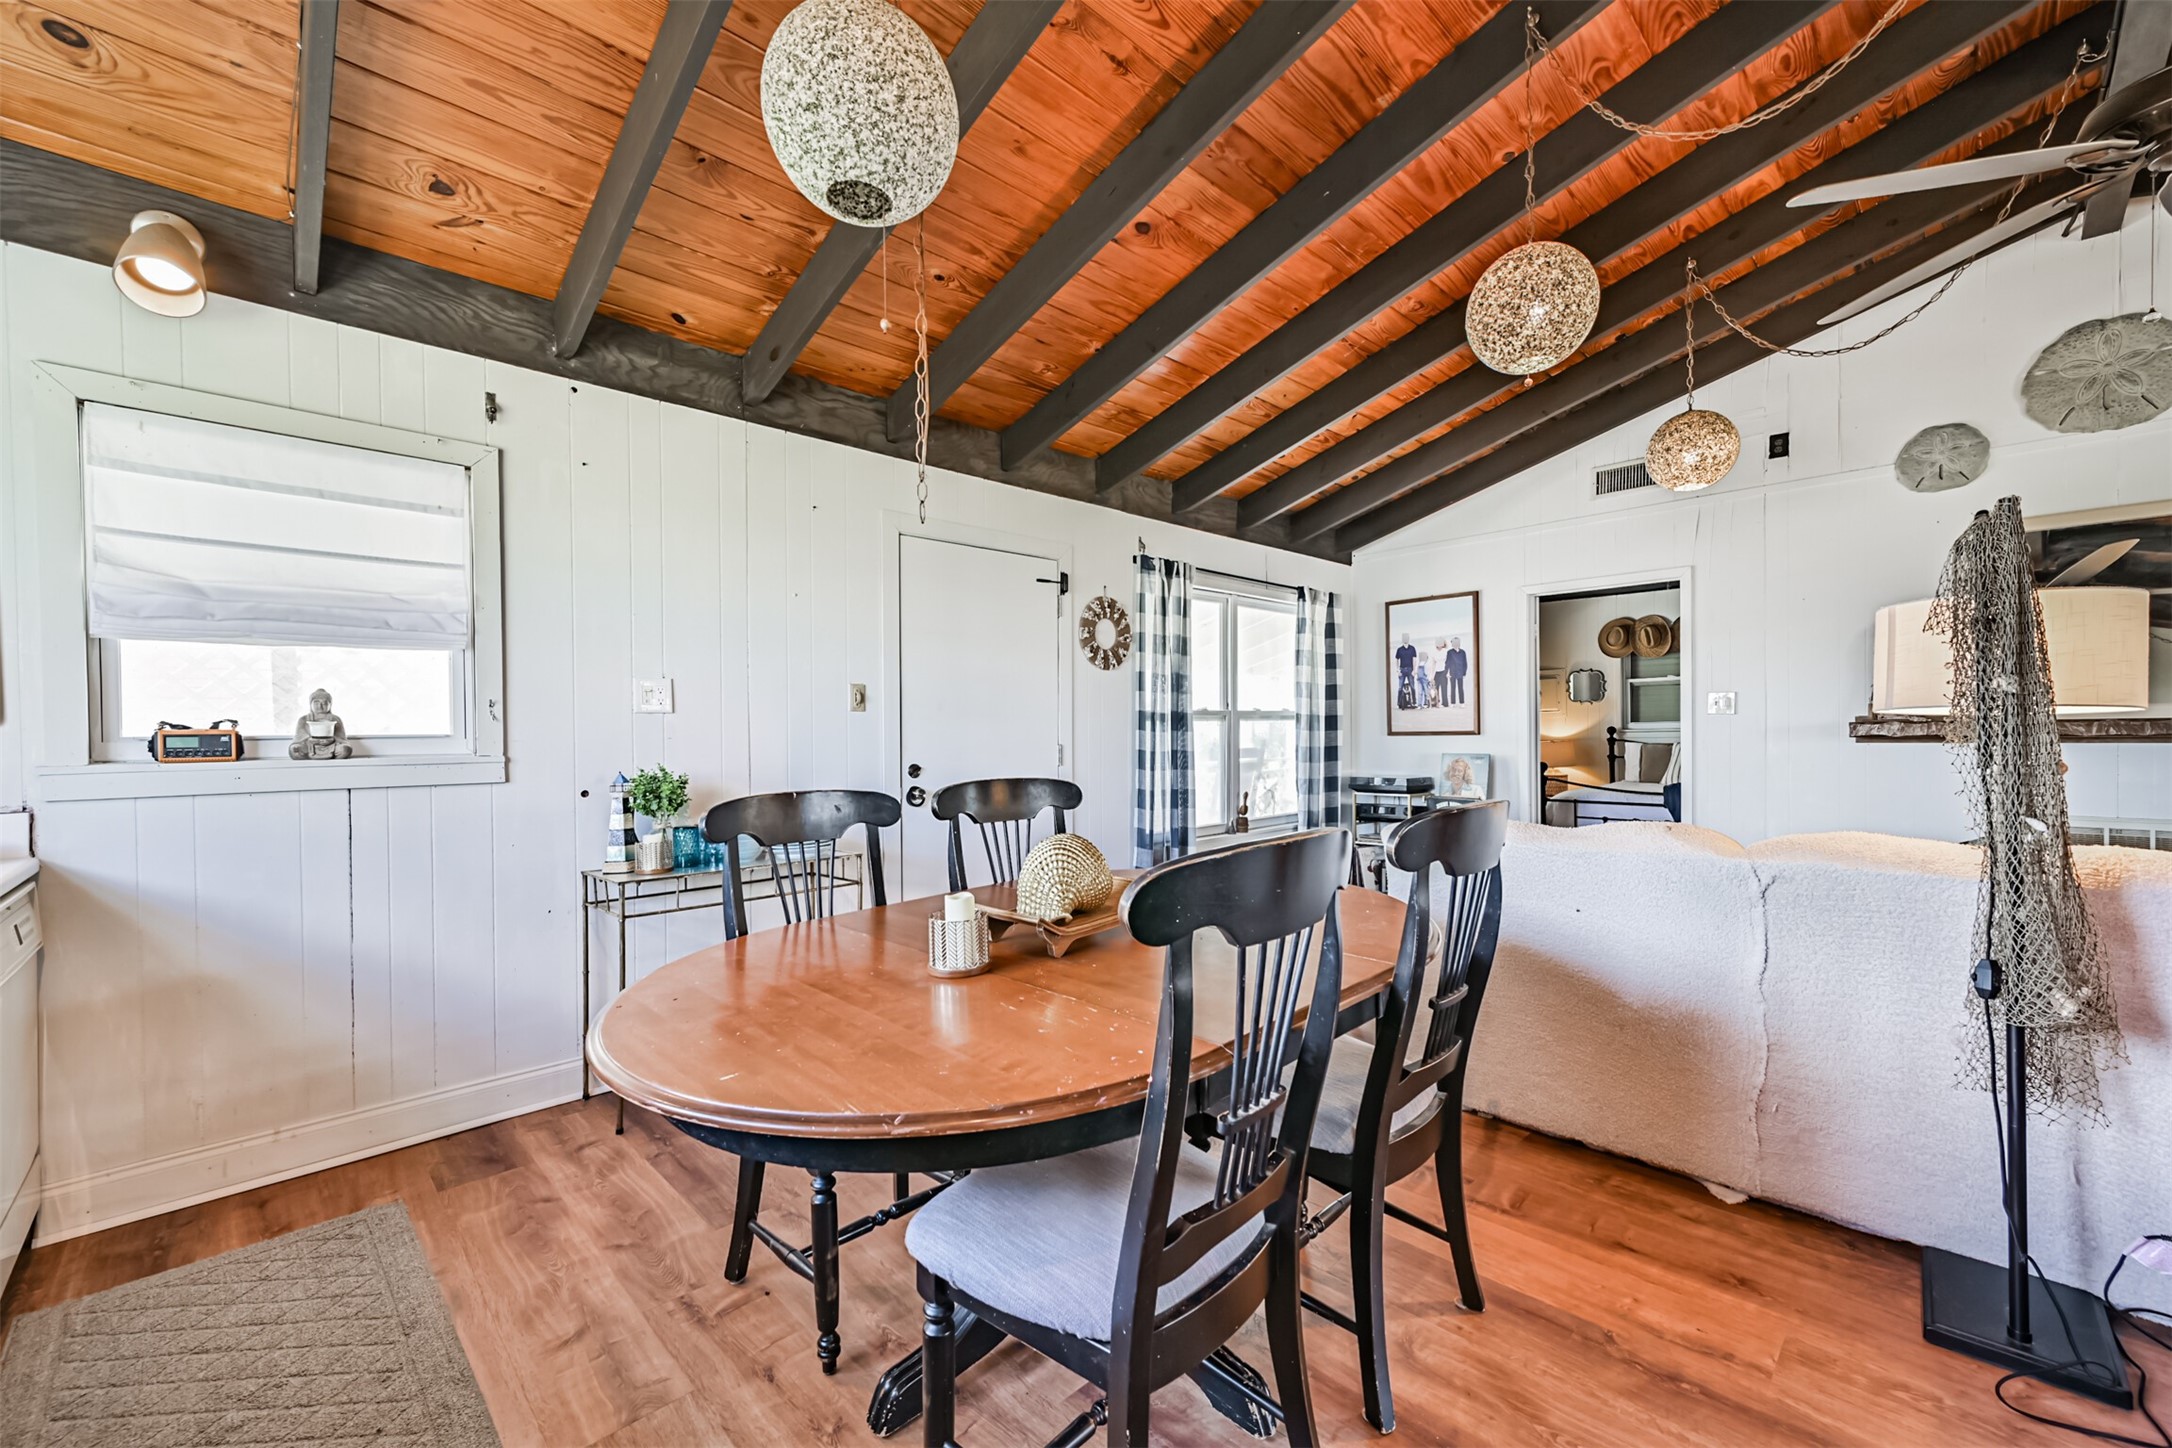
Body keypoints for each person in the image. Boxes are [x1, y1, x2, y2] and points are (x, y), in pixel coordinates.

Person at [1394, 632, 1418, 710]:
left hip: (1410, 669)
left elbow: (1414, 660)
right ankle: (1398, 703)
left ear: (1408, 638)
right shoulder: (1399, 649)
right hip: (1402, 670)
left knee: (1412, 687)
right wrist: (1397, 670)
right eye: (1404, 638)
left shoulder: (1412, 648)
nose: (1405, 639)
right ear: (1402, 639)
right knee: (1400, 687)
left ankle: (1414, 701)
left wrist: (1414, 670)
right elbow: (1397, 660)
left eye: (1407, 637)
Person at [1444, 635, 1469, 707]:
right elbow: (1447, 663)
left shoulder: (1463, 652)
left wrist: (1464, 673)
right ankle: (1453, 702)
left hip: (1460, 672)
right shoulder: (1450, 652)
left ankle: (1462, 702)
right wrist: (1446, 672)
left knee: (1461, 688)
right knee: (1453, 687)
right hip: (1452, 672)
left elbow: (1465, 663)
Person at [1433, 639, 1452, 708]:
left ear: (1443, 644)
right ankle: (1436, 702)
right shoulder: (1434, 652)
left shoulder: (1446, 652)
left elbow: (1449, 663)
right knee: (1436, 688)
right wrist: (1431, 675)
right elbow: (1433, 664)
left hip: (1444, 671)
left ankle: (1445, 703)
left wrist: (1448, 672)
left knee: (1444, 688)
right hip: (1437, 672)